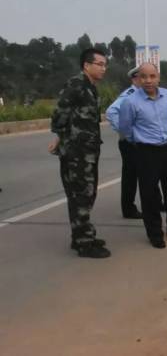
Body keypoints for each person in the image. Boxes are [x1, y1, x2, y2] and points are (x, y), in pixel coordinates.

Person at [118, 63, 167, 249]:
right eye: (143, 77)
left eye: (152, 76)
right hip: (146, 152)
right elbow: (125, 129)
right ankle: (155, 234)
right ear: (138, 78)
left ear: (158, 77)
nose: (148, 81)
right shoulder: (130, 102)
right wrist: (140, 142)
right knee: (149, 195)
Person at [48, 48, 110, 258]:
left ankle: (80, 236)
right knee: (81, 196)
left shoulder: (91, 87)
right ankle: (84, 242)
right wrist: (62, 137)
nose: (104, 68)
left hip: (88, 150)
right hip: (77, 152)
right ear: (86, 65)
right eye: (100, 64)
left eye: (105, 65)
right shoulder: (76, 84)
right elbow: (59, 115)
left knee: (86, 194)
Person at [105, 67, 144, 219]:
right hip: (130, 143)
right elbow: (111, 112)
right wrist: (126, 133)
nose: (146, 80)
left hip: (141, 142)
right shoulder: (130, 94)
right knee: (131, 176)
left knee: (150, 172)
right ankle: (128, 209)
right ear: (134, 79)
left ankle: (157, 203)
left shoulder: (142, 94)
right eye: (141, 77)